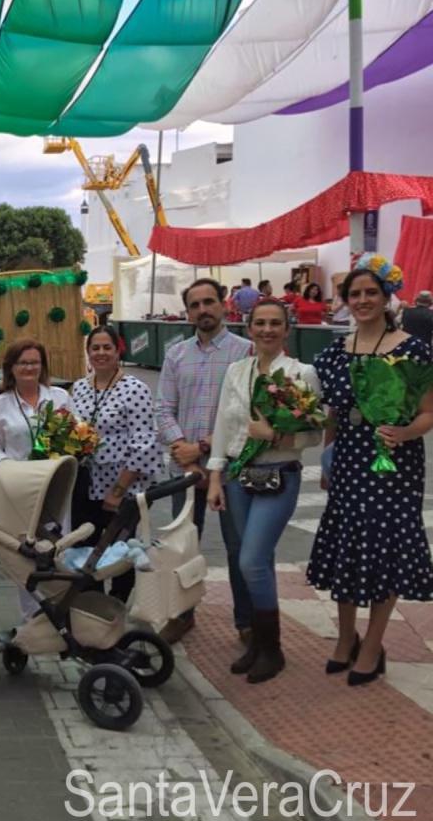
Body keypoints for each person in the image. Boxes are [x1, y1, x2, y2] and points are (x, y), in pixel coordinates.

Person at [308, 259, 433, 686]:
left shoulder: (412, 349)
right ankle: (346, 638)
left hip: (396, 467)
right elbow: (332, 416)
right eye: (355, 294)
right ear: (346, 301)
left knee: (388, 549)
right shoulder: (333, 353)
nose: (362, 301)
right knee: (347, 546)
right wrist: (327, 460)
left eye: (370, 293)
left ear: (386, 297)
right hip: (348, 462)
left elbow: (428, 413)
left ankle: (374, 643)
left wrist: (402, 431)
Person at [206, 299, 322, 683]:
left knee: (252, 560)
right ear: (249, 327)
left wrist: (274, 434)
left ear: (287, 329)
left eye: (275, 323)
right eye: (260, 323)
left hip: (278, 475)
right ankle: (257, 642)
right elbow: (223, 427)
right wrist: (215, 477)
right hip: (240, 477)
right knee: (256, 559)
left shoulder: (301, 373)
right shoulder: (237, 371)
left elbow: (314, 434)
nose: (267, 330)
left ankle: (272, 649)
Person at [155, 278, 253, 644]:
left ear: (224, 305)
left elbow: (244, 412)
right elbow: (163, 407)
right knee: (182, 546)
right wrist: (182, 447)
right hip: (185, 469)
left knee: (238, 546)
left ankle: (246, 622)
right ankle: (182, 615)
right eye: (195, 305)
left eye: (208, 302)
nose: (202, 310)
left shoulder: (245, 353)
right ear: (187, 312)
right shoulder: (176, 354)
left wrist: (204, 447)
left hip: (231, 469)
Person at [70, 325, 159, 601]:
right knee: (89, 550)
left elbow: (144, 444)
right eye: (95, 348)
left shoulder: (135, 389)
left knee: (120, 552)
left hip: (124, 487)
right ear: (88, 352)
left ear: (118, 350)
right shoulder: (80, 388)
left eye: (107, 347)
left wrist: (118, 491)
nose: (100, 353)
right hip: (86, 485)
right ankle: (95, 610)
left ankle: (117, 607)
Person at [0, 338, 75, 466]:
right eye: (23, 363)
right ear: (11, 367)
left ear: (42, 366)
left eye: (35, 362)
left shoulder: (61, 397)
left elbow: (75, 435)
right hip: (18, 478)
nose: (29, 367)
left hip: (56, 476)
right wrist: (6, 465)